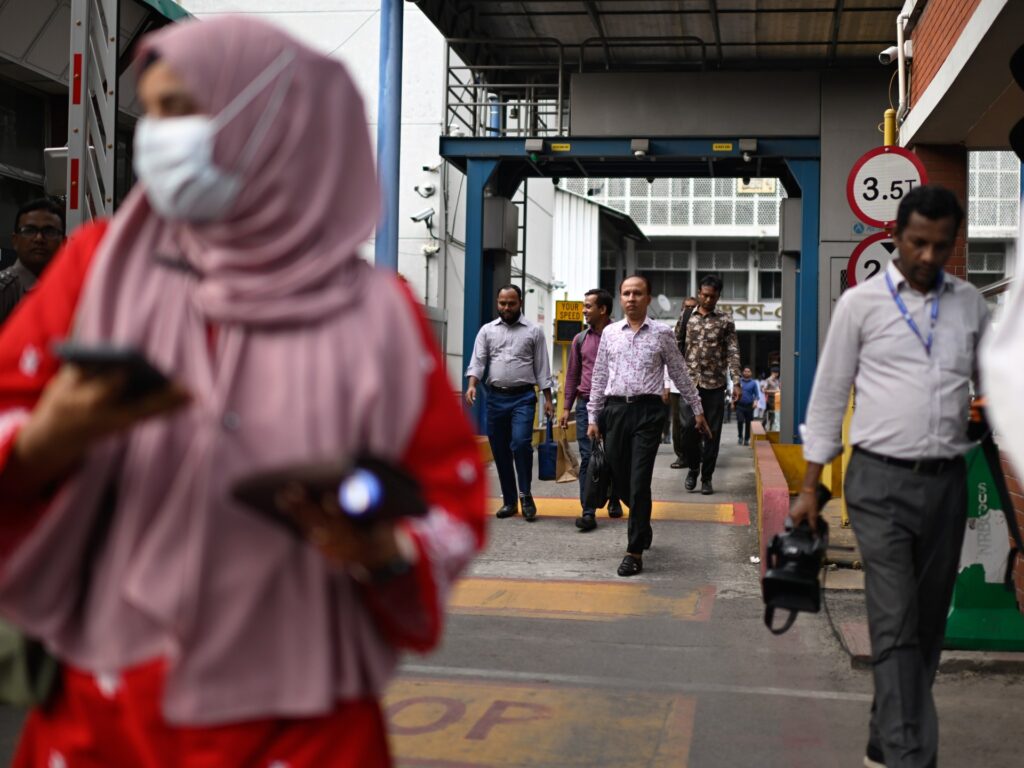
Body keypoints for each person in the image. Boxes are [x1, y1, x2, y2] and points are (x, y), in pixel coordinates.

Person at [0, 17, 486, 767]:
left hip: (299, 719)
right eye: (150, 113)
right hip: (107, 712)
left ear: (265, 121)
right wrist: (47, 438)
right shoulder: (99, 267)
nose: (156, 138)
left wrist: (382, 546)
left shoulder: (376, 315)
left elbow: (448, 500)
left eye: (180, 111)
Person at [790, 185, 988, 768]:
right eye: (918, 243)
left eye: (941, 246)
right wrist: (810, 487)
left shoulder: (970, 305)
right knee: (895, 622)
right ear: (895, 236)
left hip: (946, 484)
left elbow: (996, 382)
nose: (928, 256)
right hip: (877, 484)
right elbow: (828, 395)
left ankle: (885, 738)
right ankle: (910, 756)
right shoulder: (862, 305)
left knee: (925, 627)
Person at [586, 275, 711, 577]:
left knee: (640, 481)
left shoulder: (662, 333)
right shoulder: (610, 333)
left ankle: (634, 552)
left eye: (637, 293)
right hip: (615, 411)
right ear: (620, 298)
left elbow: (679, 372)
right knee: (621, 480)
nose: (631, 298)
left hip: (648, 413)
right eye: (626, 293)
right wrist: (593, 416)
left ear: (648, 298)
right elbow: (600, 376)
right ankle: (642, 523)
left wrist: (697, 409)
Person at [466, 284, 553, 521]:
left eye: (511, 303)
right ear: (498, 303)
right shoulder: (487, 331)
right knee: (500, 449)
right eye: (502, 303)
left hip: (523, 397)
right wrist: (472, 384)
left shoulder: (534, 331)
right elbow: (478, 361)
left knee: (521, 443)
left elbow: (542, 367)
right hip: (495, 398)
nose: (506, 307)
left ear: (520, 303)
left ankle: (525, 495)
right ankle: (509, 501)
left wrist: (548, 399)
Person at [560, 288, 623, 531]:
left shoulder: (620, 336)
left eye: (588, 306)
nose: (584, 311)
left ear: (602, 309)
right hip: (585, 404)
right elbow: (572, 374)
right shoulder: (580, 339)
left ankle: (614, 497)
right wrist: (566, 407)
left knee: (614, 455)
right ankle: (588, 510)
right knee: (588, 457)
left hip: (614, 404)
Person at [677, 274, 741, 495]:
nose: (707, 300)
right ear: (699, 293)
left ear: (718, 296)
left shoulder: (725, 320)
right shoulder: (686, 316)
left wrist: (737, 382)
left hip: (714, 386)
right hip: (689, 384)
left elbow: (733, 351)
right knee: (688, 430)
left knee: (711, 434)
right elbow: (676, 346)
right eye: (704, 295)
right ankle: (693, 468)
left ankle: (707, 478)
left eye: (712, 296)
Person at [0, 198, 66, 325]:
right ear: (15, 240)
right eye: (29, 231)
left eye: (49, 231)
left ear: (64, 242)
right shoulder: (5, 291)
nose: (39, 238)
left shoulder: (72, 289)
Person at [669, 296, 698, 468]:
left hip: (697, 385)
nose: (689, 310)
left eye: (693, 307)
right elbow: (666, 360)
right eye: (686, 307)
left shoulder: (702, 330)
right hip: (675, 386)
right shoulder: (672, 332)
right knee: (678, 423)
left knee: (694, 423)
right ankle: (681, 455)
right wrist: (665, 386)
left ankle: (695, 454)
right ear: (681, 309)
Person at [735, 366, 759, 445]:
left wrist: (755, 402)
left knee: (748, 423)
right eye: (745, 371)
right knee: (740, 421)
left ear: (751, 373)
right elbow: (734, 392)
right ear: (743, 372)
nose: (746, 373)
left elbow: (756, 394)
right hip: (739, 405)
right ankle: (740, 437)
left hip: (749, 406)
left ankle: (746, 439)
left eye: (748, 371)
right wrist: (732, 402)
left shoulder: (753, 383)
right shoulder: (739, 382)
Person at [762, 367, 780, 432]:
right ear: (772, 373)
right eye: (775, 372)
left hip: (777, 398)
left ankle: (771, 428)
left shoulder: (777, 380)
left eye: (777, 373)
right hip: (770, 398)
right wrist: (774, 391)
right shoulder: (768, 380)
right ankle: (764, 426)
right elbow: (764, 390)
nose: (776, 374)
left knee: (774, 414)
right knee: (769, 414)